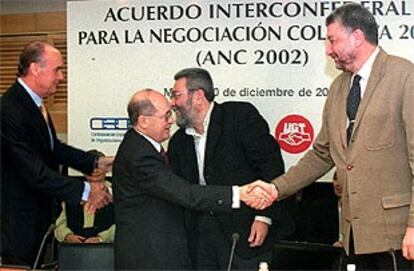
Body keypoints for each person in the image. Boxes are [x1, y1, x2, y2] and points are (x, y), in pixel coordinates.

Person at [252, 3, 414, 270]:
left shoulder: (404, 77)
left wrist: (413, 225)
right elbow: (322, 153)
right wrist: (276, 188)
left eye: (332, 40)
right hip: (354, 236)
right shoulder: (339, 86)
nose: (328, 50)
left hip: (397, 237)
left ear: (357, 37)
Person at [112, 89, 275, 270]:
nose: (171, 121)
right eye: (165, 116)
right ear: (143, 121)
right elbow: (185, 193)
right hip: (150, 257)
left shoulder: (142, 147)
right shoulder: (139, 156)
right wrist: (239, 194)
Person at [167, 68, 294, 270]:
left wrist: (264, 217)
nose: (172, 103)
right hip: (200, 241)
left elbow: (271, 166)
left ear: (198, 96)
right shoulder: (178, 142)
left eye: (176, 95)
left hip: (244, 232)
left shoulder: (238, 117)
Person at [1, 41, 113, 267]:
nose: (61, 77)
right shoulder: (11, 109)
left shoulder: (35, 105)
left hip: (37, 220)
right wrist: (86, 190)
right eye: (57, 69)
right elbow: (34, 172)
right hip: (17, 226)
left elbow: (54, 148)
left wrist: (96, 161)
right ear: (35, 69)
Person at [55, 151, 115, 244]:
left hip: (108, 248)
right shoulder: (73, 193)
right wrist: (68, 236)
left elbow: (125, 225)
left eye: (98, 167)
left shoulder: (117, 193)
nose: (95, 171)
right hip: (75, 249)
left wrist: (102, 238)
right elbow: (60, 225)